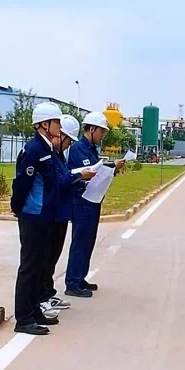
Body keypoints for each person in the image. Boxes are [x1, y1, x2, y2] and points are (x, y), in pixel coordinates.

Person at [11, 102, 67, 335]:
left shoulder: (47, 149)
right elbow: (21, 183)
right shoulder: (33, 150)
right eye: (57, 122)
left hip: (46, 216)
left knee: (40, 266)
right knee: (30, 266)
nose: (60, 127)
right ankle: (23, 319)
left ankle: (34, 311)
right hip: (33, 216)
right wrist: (17, 208)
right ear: (44, 124)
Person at [65, 111, 123, 298]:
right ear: (91, 129)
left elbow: (97, 170)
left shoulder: (91, 149)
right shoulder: (78, 149)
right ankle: (72, 282)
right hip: (81, 201)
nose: (102, 135)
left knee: (88, 241)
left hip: (93, 200)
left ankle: (80, 277)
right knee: (80, 242)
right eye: (101, 131)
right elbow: (85, 171)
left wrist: (112, 169)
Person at [37, 114, 83, 319]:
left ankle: (48, 293)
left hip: (61, 213)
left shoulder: (59, 156)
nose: (68, 145)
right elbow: (58, 182)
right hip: (51, 214)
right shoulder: (47, 156)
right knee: (44, 258)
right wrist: (79, 176)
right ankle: (41, 298)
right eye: (67, 140)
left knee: (53, 257)